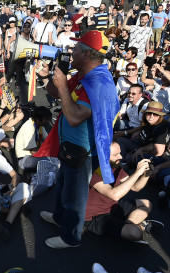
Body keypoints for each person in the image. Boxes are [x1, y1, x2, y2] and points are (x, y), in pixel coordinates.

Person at [39, 30, 117, 249]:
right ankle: (59, 218)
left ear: (86, 53)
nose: (71, 52)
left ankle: (71, 237)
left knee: (76, 195)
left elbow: (73, 117)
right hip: (70, 145)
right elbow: (57, 94)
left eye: (75, 48)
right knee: (63, 184)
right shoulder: (85, 75)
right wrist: (50, 77)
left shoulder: (99, 84)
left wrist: (63, 85)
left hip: (83, 150)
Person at [83, 143, 157, 243]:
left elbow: (135, 187)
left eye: (120, 153)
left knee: (147, 204)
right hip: (95, 216)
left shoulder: (115, 167)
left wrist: (146, 174)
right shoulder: (94, 170)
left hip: (112, 207)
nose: (121, 157)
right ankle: (137, 225)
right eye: (116, 155)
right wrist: (137, 172)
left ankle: (129, 224)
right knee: (135, 233)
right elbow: (114, 195)